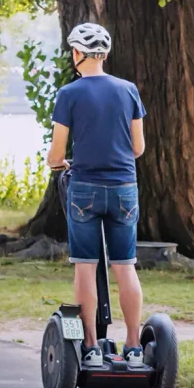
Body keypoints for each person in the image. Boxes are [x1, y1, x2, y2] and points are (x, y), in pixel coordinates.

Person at [45, 22, 147, 367]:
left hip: (85, 189)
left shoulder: (69, 94)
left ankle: (90, 345)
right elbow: (138, 147)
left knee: (85, 268)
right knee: (125, 266)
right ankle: (134, 346)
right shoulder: (128, 90)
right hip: (124, 188)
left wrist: (59, 163)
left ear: (77, 54)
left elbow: (57, 155)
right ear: (105, 54)